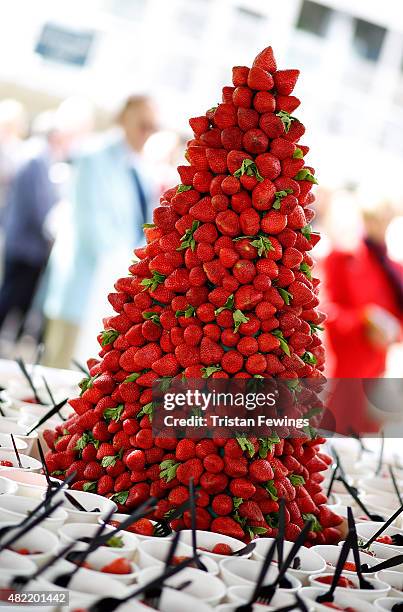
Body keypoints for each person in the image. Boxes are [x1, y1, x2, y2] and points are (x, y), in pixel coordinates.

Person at [43, 95, 158, 368]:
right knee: (58, 373)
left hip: (112, 293)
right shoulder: (93, 156)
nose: (147, 133)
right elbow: (92, 227)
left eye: (152, 127)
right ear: (125, 116)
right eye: (143, 124)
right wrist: (131, 268)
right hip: (83, 287)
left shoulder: (140, 170)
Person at [323, 195, 403, 434]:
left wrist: (393, 333)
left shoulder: (394, 269)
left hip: (376, 374)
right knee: (336, 441)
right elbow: (327, 311)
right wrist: (363, 319)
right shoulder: (342, 258)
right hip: (344, 373)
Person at [0, 109, 72, 341]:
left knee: (16, 297)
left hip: (27, 243)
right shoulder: (36, 159)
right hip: (26, 244)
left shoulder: (40, 158)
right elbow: (37, 205)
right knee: (10, 296)